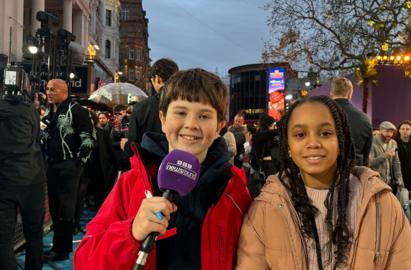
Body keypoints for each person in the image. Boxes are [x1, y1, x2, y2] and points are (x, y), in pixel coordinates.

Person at [74, 68, 252, 269]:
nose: (191, 124)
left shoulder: (234, 188)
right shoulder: (131, 182)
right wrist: (131, 232)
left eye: (204, 116)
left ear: (219, 125)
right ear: (163, 119)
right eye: (181, 112)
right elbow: (85, 261)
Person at [236, 95, 411, 269]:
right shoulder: (265, 209)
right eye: (300, 134)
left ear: (341, 141)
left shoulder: (381, 204)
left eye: (325, 133)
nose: (313, 142)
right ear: (288, 146)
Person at [43, 79, 95, 261]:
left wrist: (77, 163)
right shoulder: (52, 110)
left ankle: (62, 250)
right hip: (53, 164)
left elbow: (88, 140)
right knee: (56, 209)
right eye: (47, 89)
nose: (49, 92)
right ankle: (58, 247)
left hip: (69, 166)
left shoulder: (77, 111)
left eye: (53, 90)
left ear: (64, 91)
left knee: (65, 210)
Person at [0, 79, 46, 269]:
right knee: (34, 233)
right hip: (31, 178)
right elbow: (36, 138)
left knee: (3, 239)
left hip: (4, 180)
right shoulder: (30, 111)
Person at [127, 58, 179, 146]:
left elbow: (133, 144)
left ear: (157, 79)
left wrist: (125, 146)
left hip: (148, 157)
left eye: (152, 80)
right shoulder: (188, 102)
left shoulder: (141, 107)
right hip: (181, 158)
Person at [330, 76, 372, 166]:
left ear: (331, 93)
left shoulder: (320, 115)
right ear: (350, 94)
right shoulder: (364, 119)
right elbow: (366, 154)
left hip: (327, 172)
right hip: (354, 172)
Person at [370, 121, 404, 191]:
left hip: (389, 182)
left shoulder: (393, 143)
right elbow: (370, 163)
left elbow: (396, 162)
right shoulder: (372, 142)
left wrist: (399, 179)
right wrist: (385, 155)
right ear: (380, 131)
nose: (390, 134)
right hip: (376, 182)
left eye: (391, 132)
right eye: (387, 131)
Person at [395, 121, 411, 191]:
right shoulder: (394, 143)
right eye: (402, 129)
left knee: (407, 200)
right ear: (399, 130)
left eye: (407, 129)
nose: (405, 131)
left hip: (410, 178)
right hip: (395, 177)